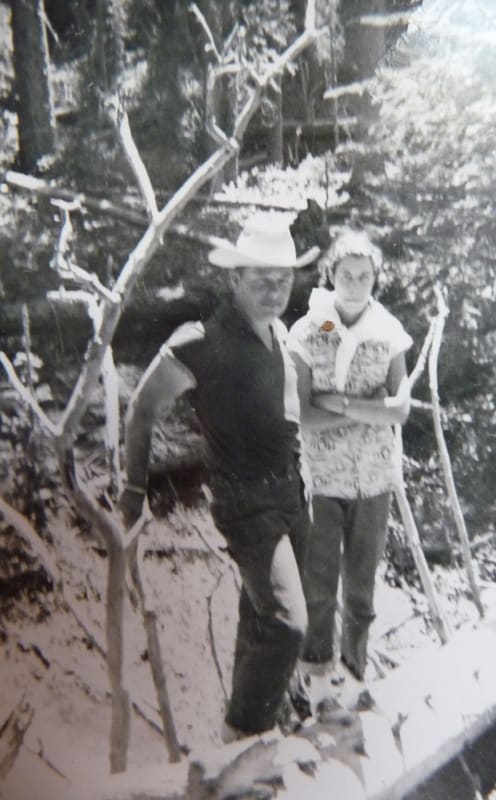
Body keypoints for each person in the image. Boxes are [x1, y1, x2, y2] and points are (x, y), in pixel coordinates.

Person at [120, 212, 319, 739]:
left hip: (294, 494)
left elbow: (285, 412)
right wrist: (132, 491)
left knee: (259, 623)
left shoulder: (278, 332)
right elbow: (141, 410)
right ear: (234, 279)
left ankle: (249, 738)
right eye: (261, 278)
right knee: (285, 625)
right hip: (245, 502)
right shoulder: (199, 341)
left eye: (283, 278)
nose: (275, 289)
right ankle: (238, 744)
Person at [287, 228, 412, 682]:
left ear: (376, 278)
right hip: (321, 480)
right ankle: (317, 682)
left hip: (374, 480)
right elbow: (300, 412)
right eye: (346, 275)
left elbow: (399, 409)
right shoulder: (313, 329)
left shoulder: (388, 332)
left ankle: (355, 672)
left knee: (361, 590)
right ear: (331, 275)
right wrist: (365, 411)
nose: (356, 284)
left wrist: (338, 404)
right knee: (318, 587)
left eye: (364, 276)